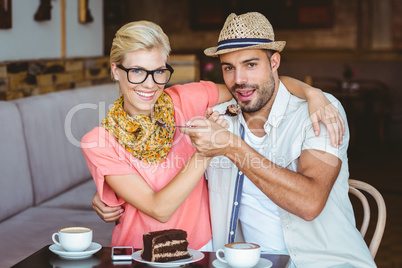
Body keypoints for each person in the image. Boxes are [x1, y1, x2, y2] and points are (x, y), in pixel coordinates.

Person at [84, 20, 345, 252]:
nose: (150, 84)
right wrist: (206, 151)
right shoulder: (99, 141)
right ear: (116, 71)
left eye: (159, 71)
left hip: (201, 250)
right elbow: (159, 209)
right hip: (135, 253)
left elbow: (252, 88)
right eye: (137, 71)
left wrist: (312, 92)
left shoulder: (187, 100)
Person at [180, 12, 375, 267]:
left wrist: (233, 147)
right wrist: (116, 198)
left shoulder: (319, 112)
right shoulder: (220, 120)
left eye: (251, 65)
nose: (239, 79)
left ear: (274, 62)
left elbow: (309, 203)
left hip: (323, 262)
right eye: (229, 68)